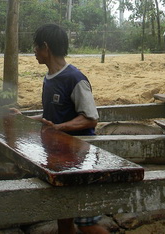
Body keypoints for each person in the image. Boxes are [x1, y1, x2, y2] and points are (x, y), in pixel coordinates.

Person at [12, 23, 108, 234]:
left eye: (36, 47)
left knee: (87, 222)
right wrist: (25, 119)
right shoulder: (49, 79)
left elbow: (90, 119)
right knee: (64, 217)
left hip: (81, 158)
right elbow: (49, 117)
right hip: (60, 158)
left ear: (46, 47)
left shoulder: (74, 79)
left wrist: (59, 127)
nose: (34, 52)